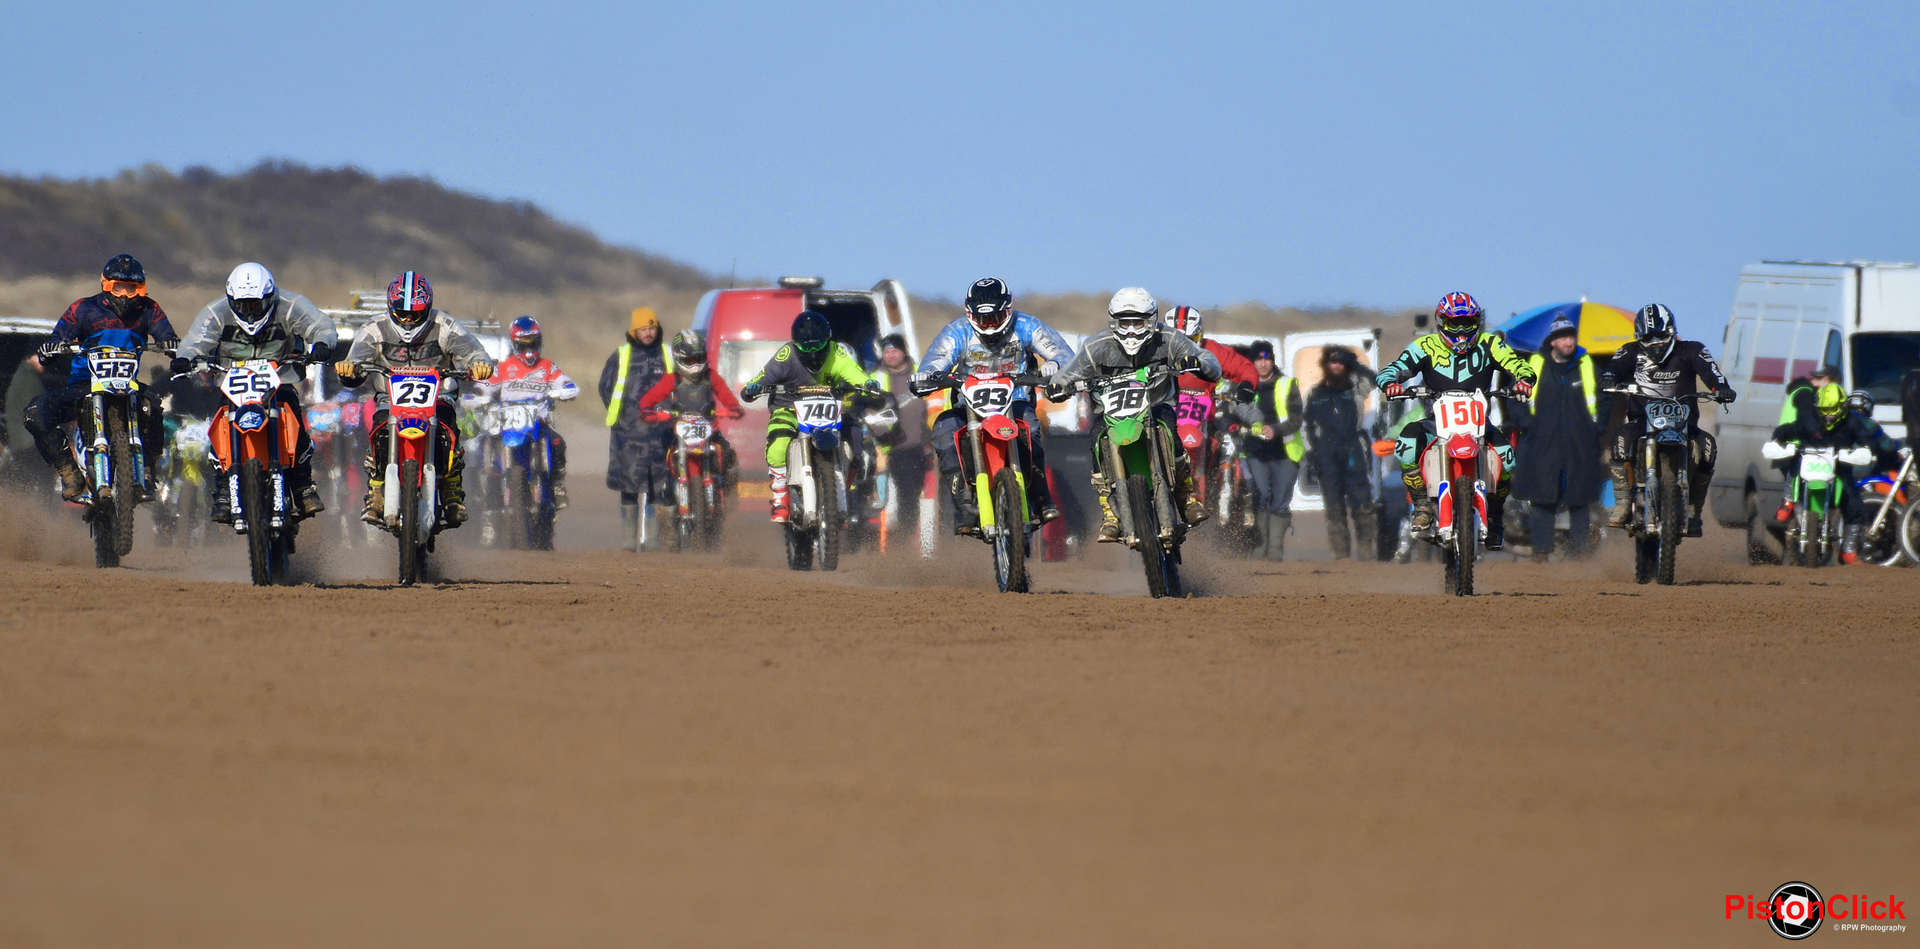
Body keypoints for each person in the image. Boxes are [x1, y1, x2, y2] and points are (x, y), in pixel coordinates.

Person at [1048, 287, 1221, 541]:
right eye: (1124, 323)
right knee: (1097, 438)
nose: (1130, 330)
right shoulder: (1096, 346)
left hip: (1157, 407)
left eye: (1137, 323)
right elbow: (1069, 373)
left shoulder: (1169, 338)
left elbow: (1208, 360)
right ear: (1113, 322)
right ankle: (1110, 511)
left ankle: (1186, 497)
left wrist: (1198, 364)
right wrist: (1058, 386)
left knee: (1170, 428)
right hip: (1112, 416)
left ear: (1150, 321)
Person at [171, 262, 338, 520]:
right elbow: (196, 340)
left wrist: (322, 344)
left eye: (256, 305)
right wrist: (186, 357)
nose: (250, 312)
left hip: (279, 380)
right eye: (243, 305)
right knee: (218, 427)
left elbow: (320, 325)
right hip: (232, 383)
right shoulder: (215, 313)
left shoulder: (291, 305)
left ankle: (303, 487)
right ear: (232, 300)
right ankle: (224, 492)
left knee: (294, 419)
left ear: (270, 298)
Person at [333, 271, 495, 527]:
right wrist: (349, 369)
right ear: (391, 307)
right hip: (390, 399)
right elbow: (355, 361)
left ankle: (452, 491)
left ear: (427, 309)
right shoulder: (374, 328)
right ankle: (376, 491)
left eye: (415, 314)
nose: (408, 320)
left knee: (449, 429)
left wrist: (480, 365)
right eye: (402, 313)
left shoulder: (445, 326)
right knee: (379, 428)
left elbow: (474, 351)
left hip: (438, 397)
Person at [912, 277, 1073, 532]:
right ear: (970, 314)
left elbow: (1064, 354)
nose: (989, 325)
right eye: (982, 319)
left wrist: (1054, 364)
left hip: (1015, 401)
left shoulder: (1027, 325)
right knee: (944, 428)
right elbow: (936, 360)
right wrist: (928, 374)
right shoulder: (957, 331)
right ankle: (963, 506)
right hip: (969, 406)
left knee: (1029, 426)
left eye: (995, 318)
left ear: (1008, 310)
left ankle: (1040, 497)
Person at [1375, 292, 1535, 545]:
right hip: (1436, 421)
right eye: (1454, 324)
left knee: (1508, 459)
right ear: (1441, 323)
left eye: (1467, 323)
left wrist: (1524, 380)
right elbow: (1396, 367)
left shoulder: (1490, 343)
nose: (1461, 331)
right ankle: (1422, 506)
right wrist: (1390, 383)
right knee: (1405, 447)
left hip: (1479, 422)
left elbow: (1517, 364)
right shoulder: (1425, 346)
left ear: (1477, 322)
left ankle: (1494, 516)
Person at [23, 254, 179, 501]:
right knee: (35, 412)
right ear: (106, 284)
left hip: (128, 384)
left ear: (141, 288)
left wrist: (172, 345)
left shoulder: (149, 309)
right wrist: (51, 348)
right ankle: (69, 473)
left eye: (132, 288)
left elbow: (167, 336)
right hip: (84, 386)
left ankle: (147, 470)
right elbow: (59, 335)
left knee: (155, 408)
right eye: (118, 287)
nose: (125, 295)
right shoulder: (83, 309)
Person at [1596, 304, 1736, 536]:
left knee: (1708, 447)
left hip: (1683, 421)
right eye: (1648, 338)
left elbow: (1712, 373)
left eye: (1660, 336)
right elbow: (1613, 368)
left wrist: (1721, 388)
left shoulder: (1692, 350)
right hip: (1643, 420)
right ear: (1639, 337)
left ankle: (1693, 509)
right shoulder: (1629, 351)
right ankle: (1622, 503)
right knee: (1620, 440)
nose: (1655, 343)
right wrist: (1608, 379)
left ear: (1671, 331)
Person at [740, 310, 884, 523]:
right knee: (777, 443)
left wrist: (867, 383)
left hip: (829, 409)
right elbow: (762, 378)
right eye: (807, 347)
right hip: (788, 408)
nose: (814, 352)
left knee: (854, 443)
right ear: (796, 344)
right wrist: (753, 388)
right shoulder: (786, 355)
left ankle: (840, 491)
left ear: (828, 340)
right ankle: (780, 497)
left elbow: (855, 374)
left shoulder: (837, 353)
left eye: (819, 345)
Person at [1769, 382, 1902, 563]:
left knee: (1855, 505)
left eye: (1833, 409)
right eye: (1825, 409)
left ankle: (1848, 550)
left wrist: (1866, 449)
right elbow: (1791, 429)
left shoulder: (1852, 422)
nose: (1829, 414)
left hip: (1839, 470)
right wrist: (1778, 437)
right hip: (1808, 464)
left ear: (1842, 407)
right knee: (1793, 465)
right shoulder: (1809, 419)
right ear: (1818, 407)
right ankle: (1787, 501)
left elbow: (1868, 439)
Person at [1510, 316, 1604, 561]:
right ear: (1552, 342)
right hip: (1542, 443)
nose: (1569, 341)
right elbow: (1515, 399)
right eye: (1563, 337)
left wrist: (1596, 428)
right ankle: (1540, 555)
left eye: (1571, 336)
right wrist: (1529, 425)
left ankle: (1581, 557)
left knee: (1580, 500)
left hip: (1580, 444)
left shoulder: (1587, 366)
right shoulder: (1533, 366)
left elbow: (1604, 399)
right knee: (1543, 500)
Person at [598, 307, 674, 550]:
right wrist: (623, 419)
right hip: (628, 434)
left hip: (662, 435)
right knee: (628, 488)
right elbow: (605, 387)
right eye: (644, 329)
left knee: (657, 489)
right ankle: (629, 544)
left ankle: (652, 543)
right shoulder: (621, 355)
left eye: (652, 328)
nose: (649, 333)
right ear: (634, 331)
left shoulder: (668, 354)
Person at [485, 316, 580, 508]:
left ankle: (557, 486)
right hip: (507, 423)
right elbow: (486, 386)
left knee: (558, 443)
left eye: (533, 344)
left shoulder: (547, 366)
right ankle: (491, 494)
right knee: (487, 441)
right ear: (514, 345)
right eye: (523, 346)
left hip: (538, 422)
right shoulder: (503, 367)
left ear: (540, 342)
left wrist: (566, 389)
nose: (528, 351)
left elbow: (565, 382)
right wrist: (478, 395)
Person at [637, 329, 742, 490]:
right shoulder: (672, 379)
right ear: (679, 358)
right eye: (689, 360)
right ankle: (666, 493)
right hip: (677, 431)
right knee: (657, 455)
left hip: (708, 430)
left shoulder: (711, 376)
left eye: (697, 359)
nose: (694, 365)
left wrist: (733, 408)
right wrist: (648, 411)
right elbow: (649, 399)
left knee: (727, 453)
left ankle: (726, 488)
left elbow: (727, 396)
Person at [1304, 345, 1379, 560]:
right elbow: (1305, 424)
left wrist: (1354, 363)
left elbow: (1374, 379)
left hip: (1352, 446)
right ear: (1325, 365)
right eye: (1333, 362)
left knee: (1362, 502)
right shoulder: (1314, 393)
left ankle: (1365, 552)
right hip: (1325, 450)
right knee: (1333, 505)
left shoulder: (1355, 388)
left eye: (1341, 362)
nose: (1337, 366)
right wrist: (1311, 454)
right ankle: (1341, 556)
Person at [1235, 339, 1304, 560]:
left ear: (1273, 362)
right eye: (1258, 359)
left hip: (1284, 451)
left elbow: (1296, 419)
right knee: (1260, 497)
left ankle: (1275, 550)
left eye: (1267, 359)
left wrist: (1275, 429)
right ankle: (1259, 547)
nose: (1263, 364)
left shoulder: (1287, 384)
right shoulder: (1244, 387)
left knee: (1280, 503)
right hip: (1255, 451)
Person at [872, 333, 931, 536]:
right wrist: (882, 434)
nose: (890, 355)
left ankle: (907, 538)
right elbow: (869, 411)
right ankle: (892, 538)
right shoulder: (876, 378)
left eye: (894, 350)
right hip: (889, 447)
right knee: (890, 497)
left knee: (912, 495)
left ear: (904, 351)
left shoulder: (920, 373)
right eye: (886, 351)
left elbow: (934, 403)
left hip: (918, 446)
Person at [1769, 364, 1838, 523]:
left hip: (1788, 447)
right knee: (1802, 494)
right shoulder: (1806, 394)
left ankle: (1800, 524)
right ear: (1827, 380)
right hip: (1795, 449)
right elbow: (1808, 421)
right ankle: (1806, 530)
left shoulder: (1801, 391)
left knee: (1801, 492)